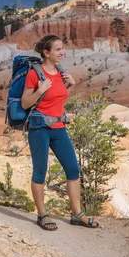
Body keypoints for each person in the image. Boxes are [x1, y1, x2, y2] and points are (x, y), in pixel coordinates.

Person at [21, 34, 99, 231]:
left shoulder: (61, 72)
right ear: (46, 53)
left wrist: (69, 86)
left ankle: (76, 213)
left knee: (73, 169)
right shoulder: (35, 74)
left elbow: (56, 100)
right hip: (39, 128)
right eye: (57, 49)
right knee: (40, 172)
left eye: (62, 48)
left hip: (59, 128)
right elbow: (25, 103)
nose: (62, 52)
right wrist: (39, 91)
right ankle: (42, 214)